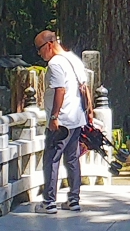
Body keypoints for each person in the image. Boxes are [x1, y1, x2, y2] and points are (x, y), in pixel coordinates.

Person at [34, 30, 91, 214]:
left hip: (62, 121)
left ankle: (49, 202)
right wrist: (88, 113)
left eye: (39, 49)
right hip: (76, 118)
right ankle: (73, 199)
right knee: (72, 159)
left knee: (51, 159)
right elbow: (84, 87)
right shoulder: (72, 59)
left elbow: (60, 90)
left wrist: (54, 117)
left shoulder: (55, 63)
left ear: (49, 44)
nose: (39, 54)